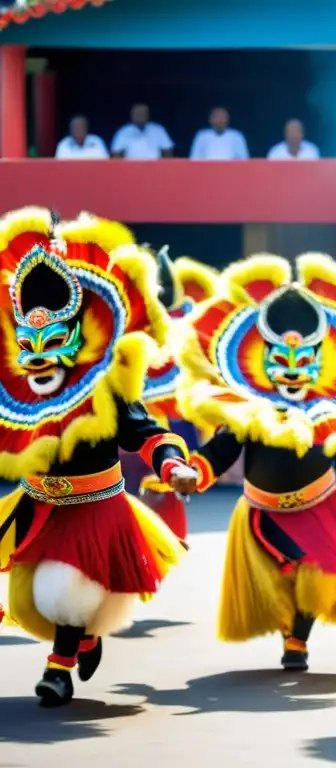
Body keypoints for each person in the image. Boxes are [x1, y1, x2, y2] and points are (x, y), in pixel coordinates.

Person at [0, 207, 197, 707]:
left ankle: (59, 669)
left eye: (53, 341)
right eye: (29, 343)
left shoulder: (105, 384)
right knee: (32, 599)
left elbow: (145, 430)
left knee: (65, 590)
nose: (39, 355)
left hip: (95, 508)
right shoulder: (16, 394)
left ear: (80, 335)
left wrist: (173, 465)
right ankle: (85, 638)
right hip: (36, 506)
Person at [174, 252, 336, 671]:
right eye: (281, 360)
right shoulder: (248, 409)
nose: (292, 371)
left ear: (320, 361)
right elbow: (221, 450)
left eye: (304, 362)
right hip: (263, 511)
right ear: (262, 359)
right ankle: (289, 629)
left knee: (313, 572)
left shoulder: (328, 411)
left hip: (321, 505)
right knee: (286, 572)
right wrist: (191, 472)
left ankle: (297, 640)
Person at [136, 246, 220, 541]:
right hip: (148, 397)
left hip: (174, 394)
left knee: (169, 452)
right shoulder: (138, 320)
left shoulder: (187, 315)